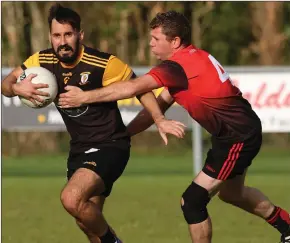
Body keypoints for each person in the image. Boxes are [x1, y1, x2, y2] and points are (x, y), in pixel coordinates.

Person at [58, 10, 290, 243]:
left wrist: (84, 98)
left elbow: (131, 88)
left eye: (156, 39)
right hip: (235, 134)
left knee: (192, 201)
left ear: (175, 42)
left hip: (238, 137)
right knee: (233, 194)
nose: (150, 44)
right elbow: (156, 107)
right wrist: (123, 134)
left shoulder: (178, 66)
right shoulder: (190, 61)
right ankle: (287, 226)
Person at [1, 5, 186, 243]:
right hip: (79, 148)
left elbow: (141, 89)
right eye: (57, 36)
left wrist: (159, 119)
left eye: (68, 34)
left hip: (110, 144)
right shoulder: (41, 60)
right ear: (50, 37)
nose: (63, 41)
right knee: (86, 220)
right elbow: (6, 83)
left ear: (80, 34)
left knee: (71, 199)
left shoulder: (102, 63)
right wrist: (17, 88)